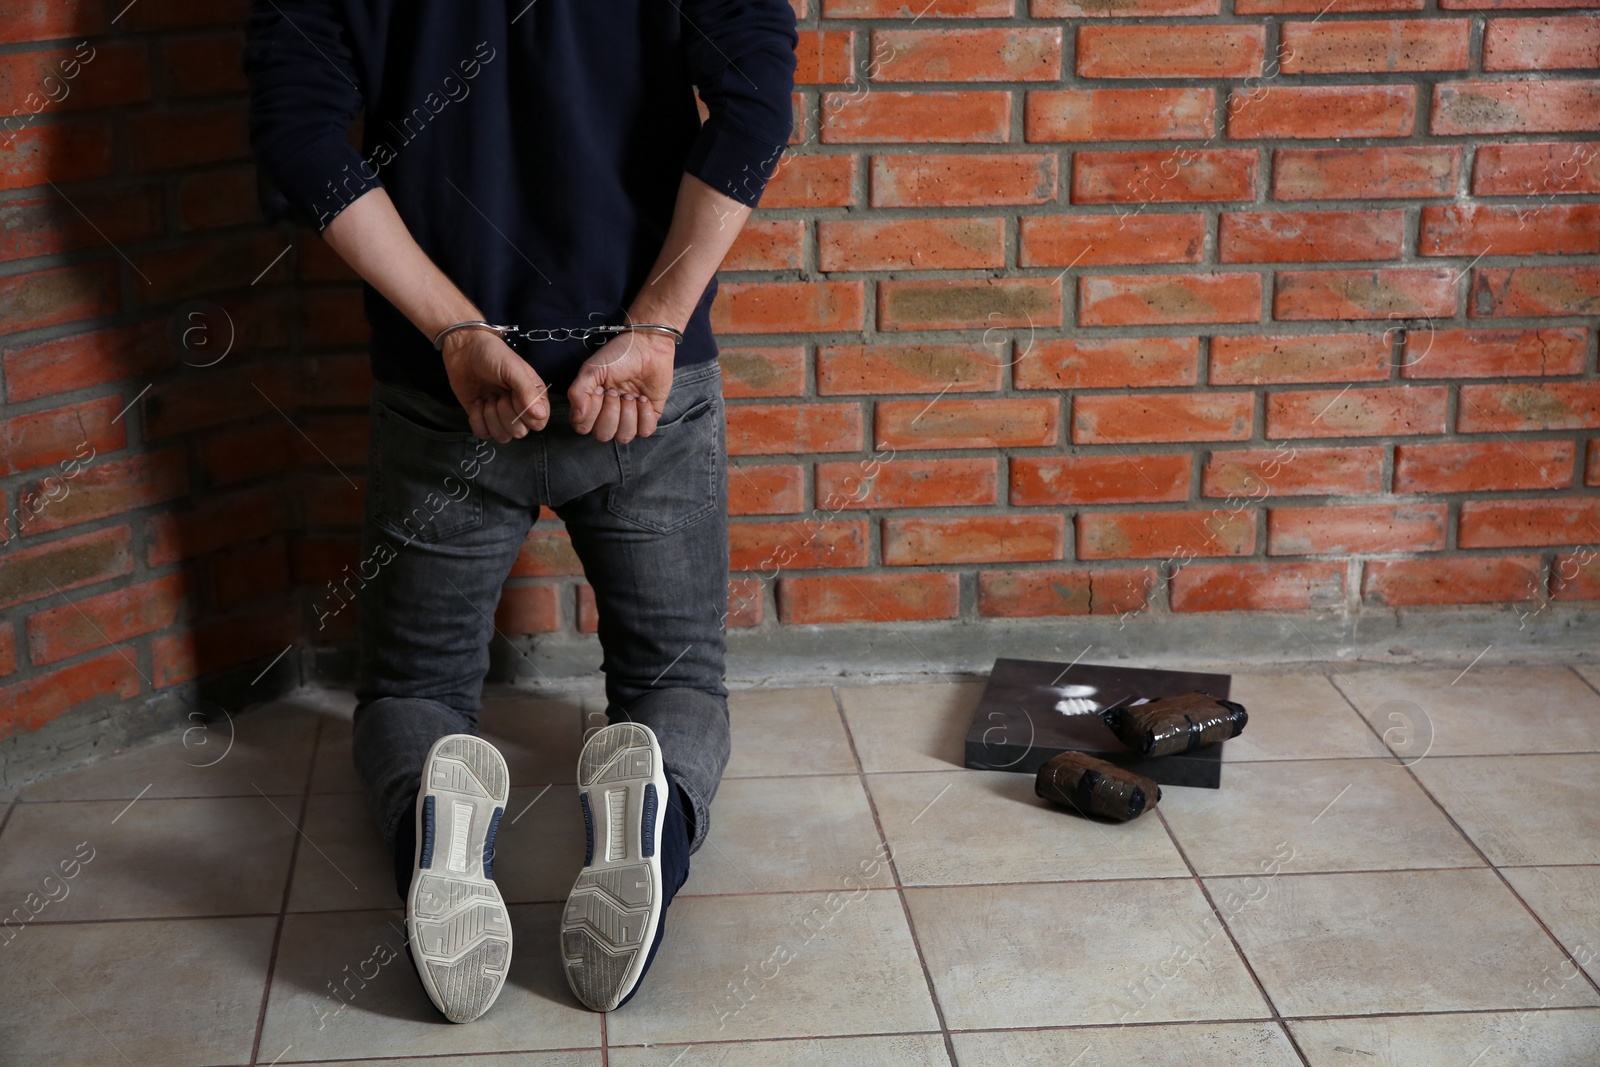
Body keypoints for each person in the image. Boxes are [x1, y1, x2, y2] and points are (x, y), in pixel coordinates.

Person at [243, 0, 798, 1022]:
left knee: (413, 691)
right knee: (677, 683)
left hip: (448, 384)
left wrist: (456, 332)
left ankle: (435, 814)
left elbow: (300, 135)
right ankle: (654, 812)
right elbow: (756, 105)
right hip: (640, 383)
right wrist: (655, 323)